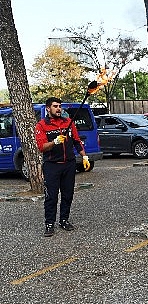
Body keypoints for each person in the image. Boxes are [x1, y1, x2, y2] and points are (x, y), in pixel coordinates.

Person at [35, 97, 90, 237]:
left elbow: (77, 141)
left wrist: (84, 156)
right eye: (55, 106)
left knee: (68, 195)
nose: (58, 108)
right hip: (52, 165)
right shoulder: (41, 125)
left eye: (60, 106)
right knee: (51, 196)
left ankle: (64, 220)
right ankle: (49, 224)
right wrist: (54, 141)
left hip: (69, 164)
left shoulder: (68, 123)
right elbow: (42, 147)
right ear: (48, 108)